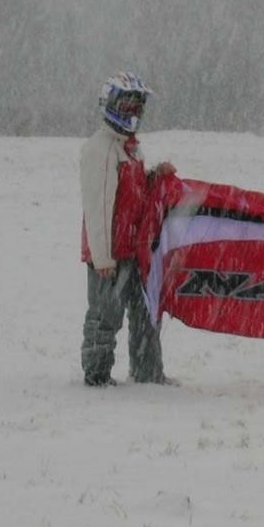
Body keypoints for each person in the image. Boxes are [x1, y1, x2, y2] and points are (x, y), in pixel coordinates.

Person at [80, 71, 175, 387]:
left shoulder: (131, 148)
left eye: (137, 106)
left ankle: (148, 372)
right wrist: (102, 257)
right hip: (109, 253)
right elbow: (98, 207)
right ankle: (97, 374)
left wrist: (155, 176)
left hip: (134, 249)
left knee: (146, 312)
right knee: (105, 316)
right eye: (126, 105)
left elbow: (135, 195)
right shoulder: (101, 149)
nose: (132, 112)